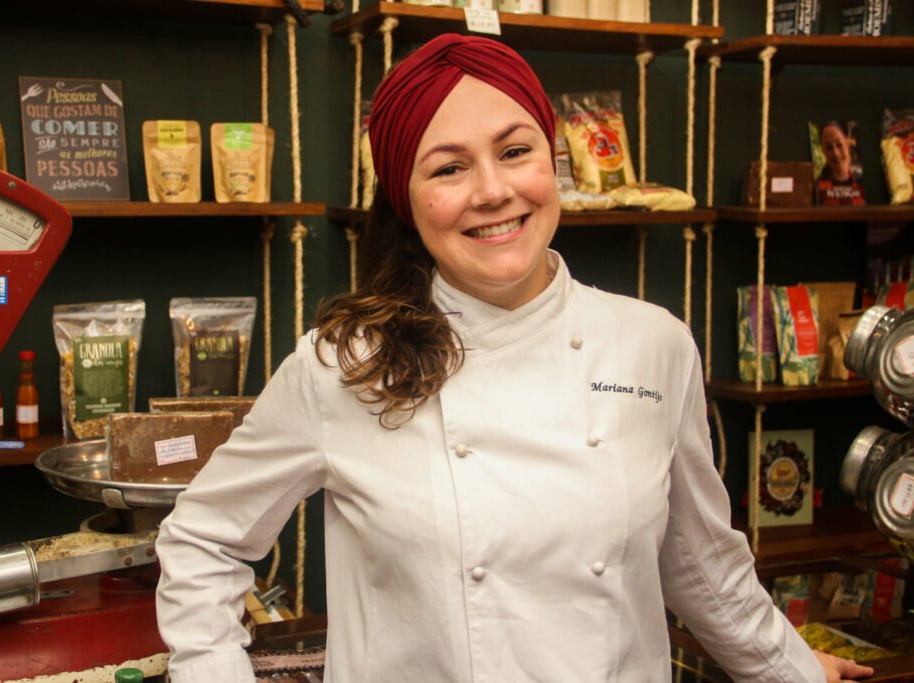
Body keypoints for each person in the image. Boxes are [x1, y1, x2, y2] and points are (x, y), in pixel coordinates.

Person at [155, 34, 874, 682]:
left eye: (515, 150)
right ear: (405, 198)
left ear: (552, 157)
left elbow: (699, 563)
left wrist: (792, 670)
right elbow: (201, 543)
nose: (493, 190)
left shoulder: (653, 344)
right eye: (448, 168)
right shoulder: (344, 366)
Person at [815, 121, 864, 206]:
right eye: (829, 148)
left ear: (847, 143)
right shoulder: (817, 188)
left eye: (839, 144)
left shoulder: (862, 181)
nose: (836, 153)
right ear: (823, 151)